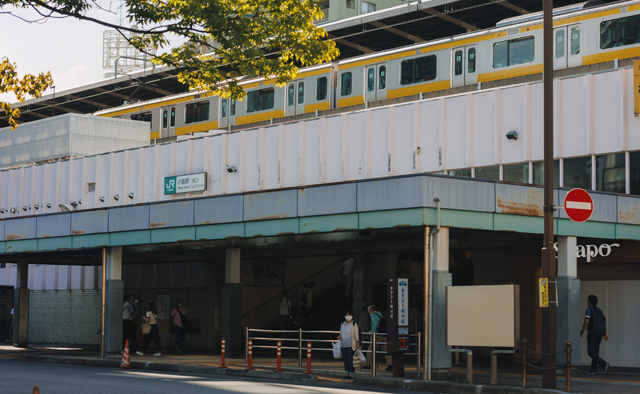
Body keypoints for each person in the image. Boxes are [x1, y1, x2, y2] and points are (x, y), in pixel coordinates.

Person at [580, 294, 609, 375]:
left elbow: (586, 322)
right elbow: (603, 323)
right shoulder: (600, 311)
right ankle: (593, 370)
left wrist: (582, 331)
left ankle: (604, 364)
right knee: (595, 353)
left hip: (592, 334)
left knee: (590, 352)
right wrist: (605, 333)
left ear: (589, 302)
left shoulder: (589, 310)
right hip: (599, 334)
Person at [364, 305, 392, 371]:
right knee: (386, 351)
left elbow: (375, 323)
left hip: (376, 336)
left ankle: (368, 364)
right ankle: (390, 365)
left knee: (370, 350)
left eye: (368, 311)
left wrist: (372, 332)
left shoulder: (373, 315)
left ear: (370, 310)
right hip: (384, 335)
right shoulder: (381, 314)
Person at [336, 310, 359, 381]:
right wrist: (339, 336)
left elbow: (356, 335)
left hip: (351, 345)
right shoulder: (342, 324)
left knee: (350, 360)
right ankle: (347, 374)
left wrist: (358, 344)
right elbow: (341, 333)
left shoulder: (354, 324)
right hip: (343, 345)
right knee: (345, 360)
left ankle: (351, 374)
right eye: (347, 314)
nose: (348, 316)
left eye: (350, 314)